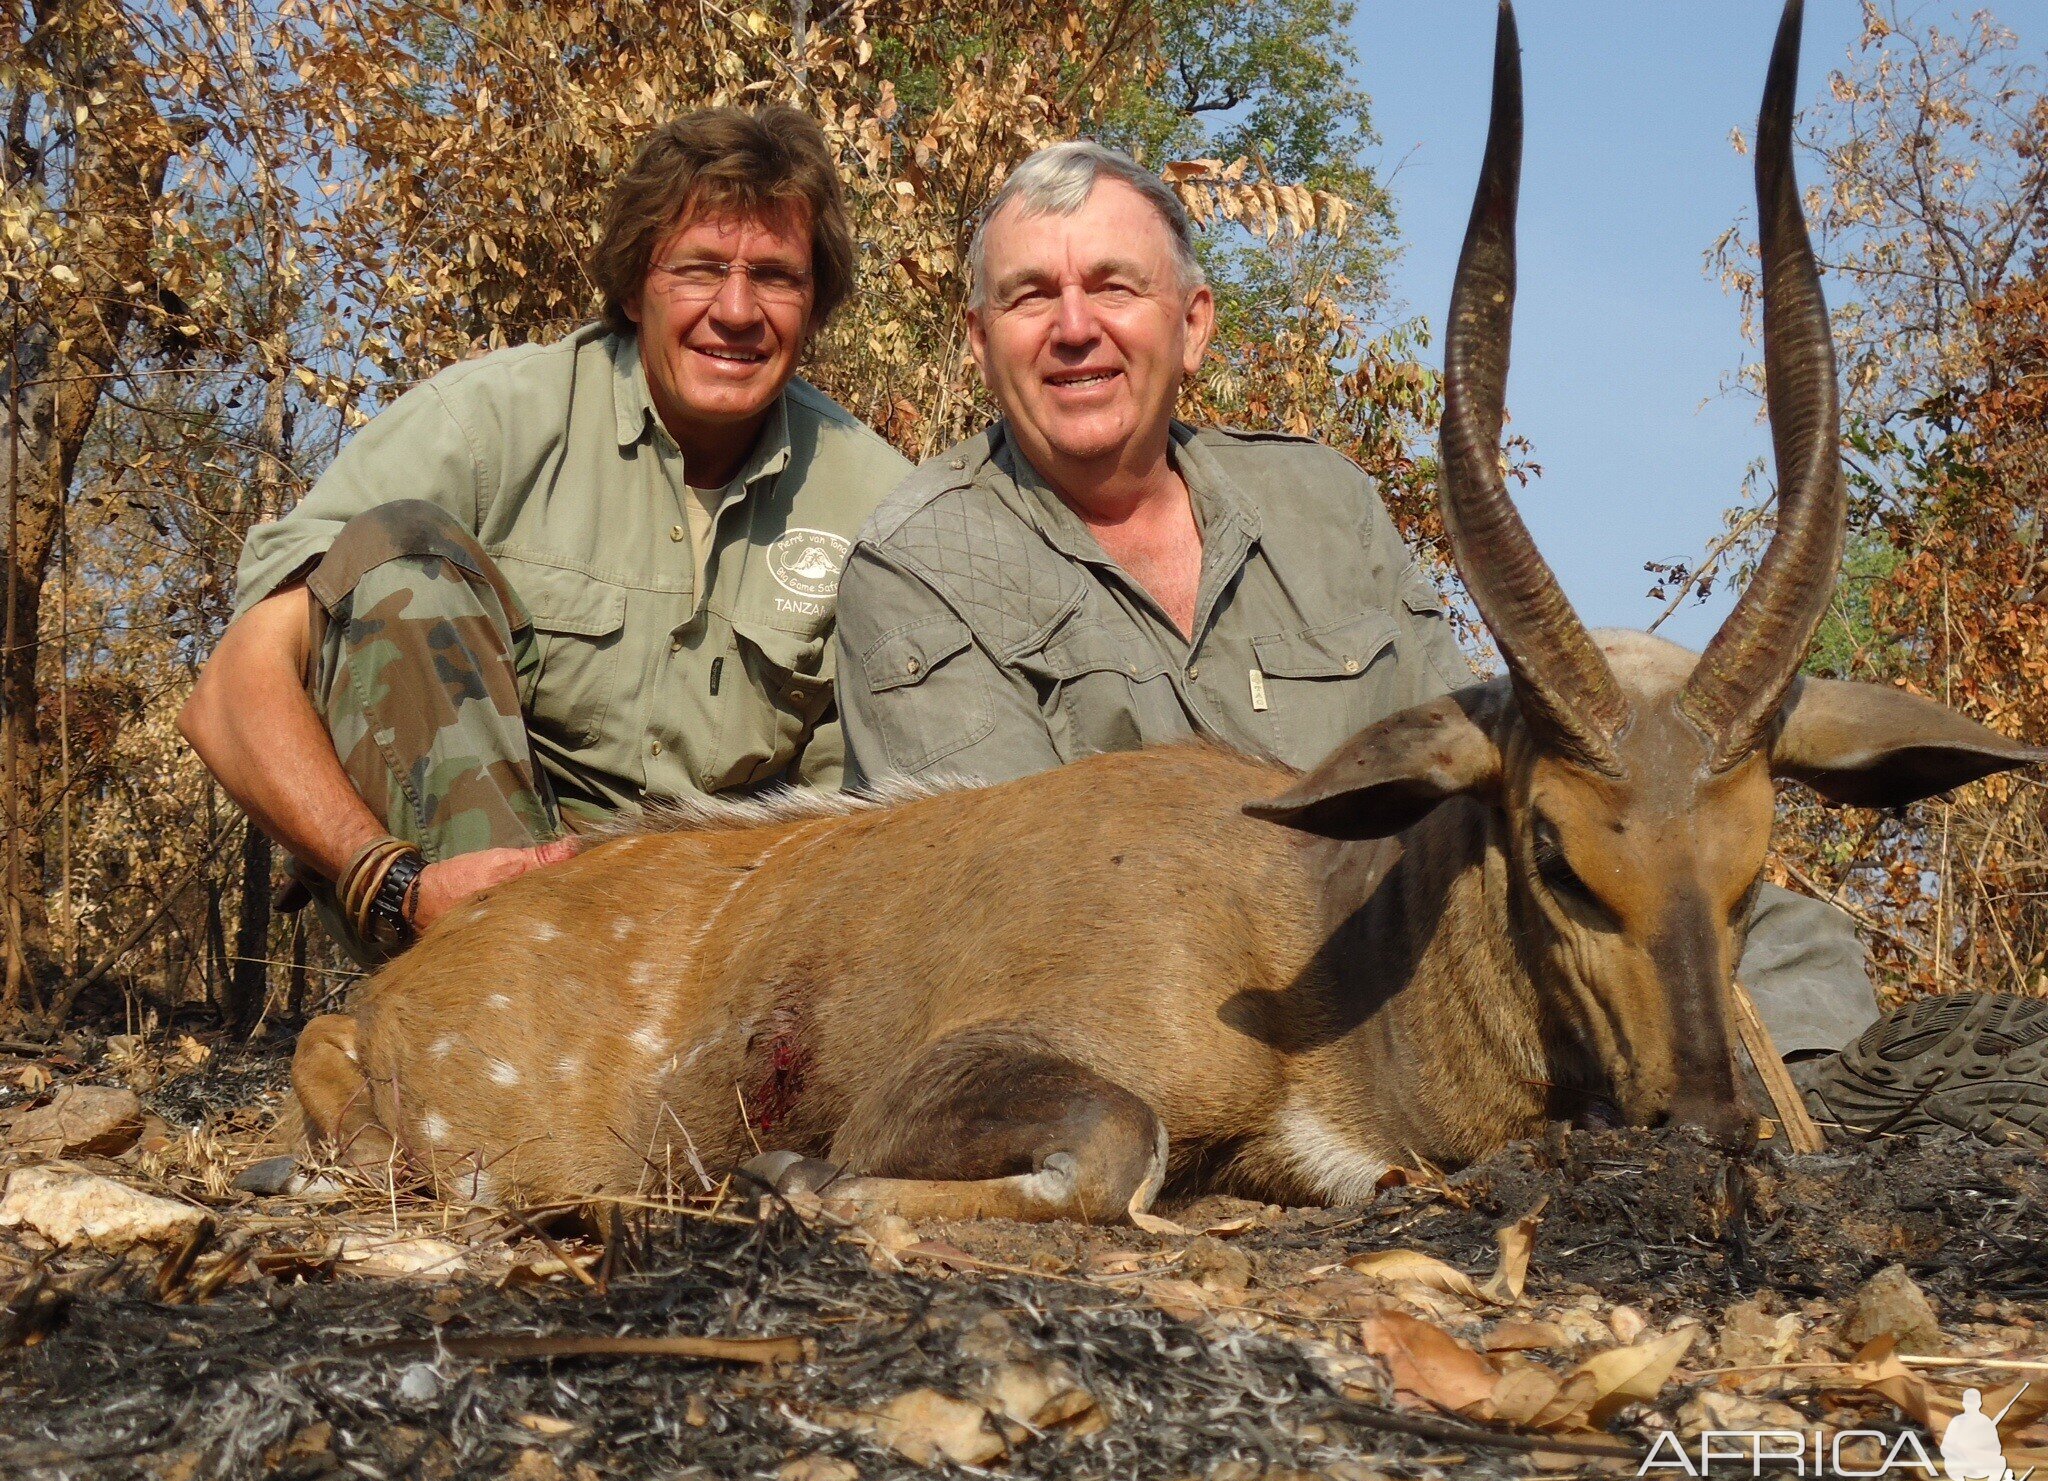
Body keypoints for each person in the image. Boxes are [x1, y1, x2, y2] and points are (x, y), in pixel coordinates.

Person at [832, 140, 2041, 1135]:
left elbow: (1492, 772)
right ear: (979, 337)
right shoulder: (916, 566)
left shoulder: (1323, 506)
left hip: (1401, 961)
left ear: (1192, 325)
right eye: (1031, 297)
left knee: (1776, 941)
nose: (1075, 327)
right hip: (1162, 1022)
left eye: (1112, 287)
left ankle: (1771, 1137)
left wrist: (1636, 707)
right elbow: (1008, 918)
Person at [181, 106, 910, 962]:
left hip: (727, 946)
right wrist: (390, 884)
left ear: (816, 303)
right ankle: (484, 1007)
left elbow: (871, 816)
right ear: (636, 284)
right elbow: (233, 690)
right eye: (701, 268)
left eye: (778, 276)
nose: (738, 310)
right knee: (394, 558)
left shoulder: (882, 501)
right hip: (487, 911)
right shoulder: (488, 425)